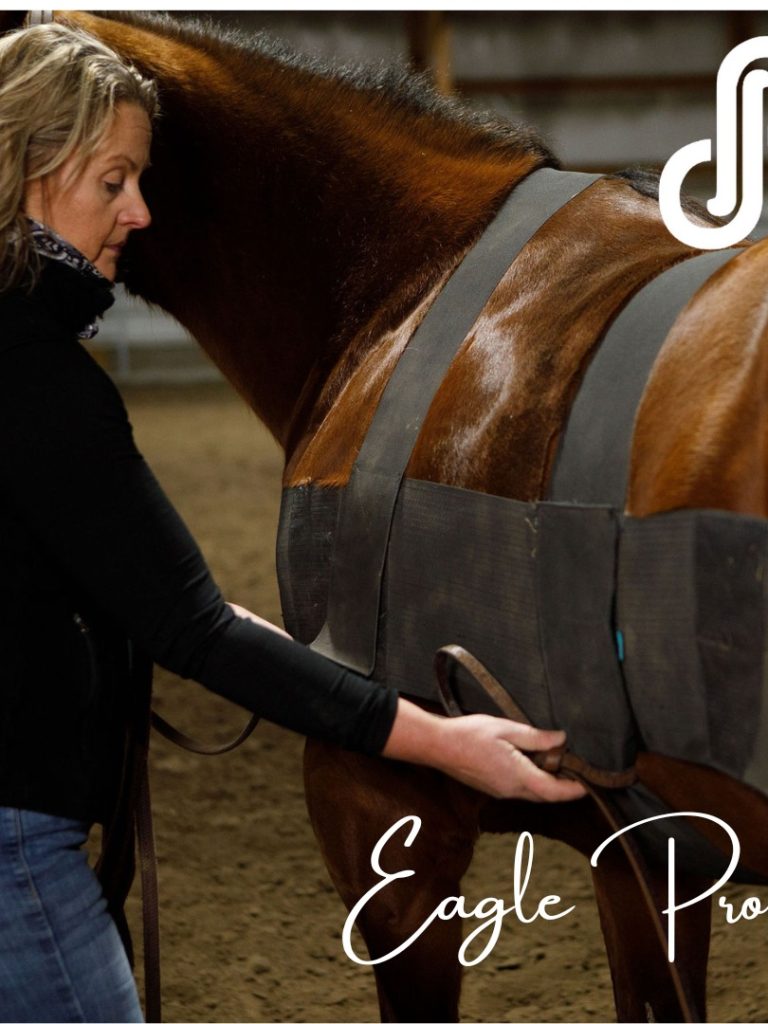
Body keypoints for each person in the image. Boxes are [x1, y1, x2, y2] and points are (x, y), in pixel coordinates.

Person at [0, 22, 584, 1023]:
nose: (139, 212)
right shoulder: (41, 385)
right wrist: (444, 744)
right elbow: (193, 629)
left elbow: (166, 603)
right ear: (28, 171)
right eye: (112, 181)